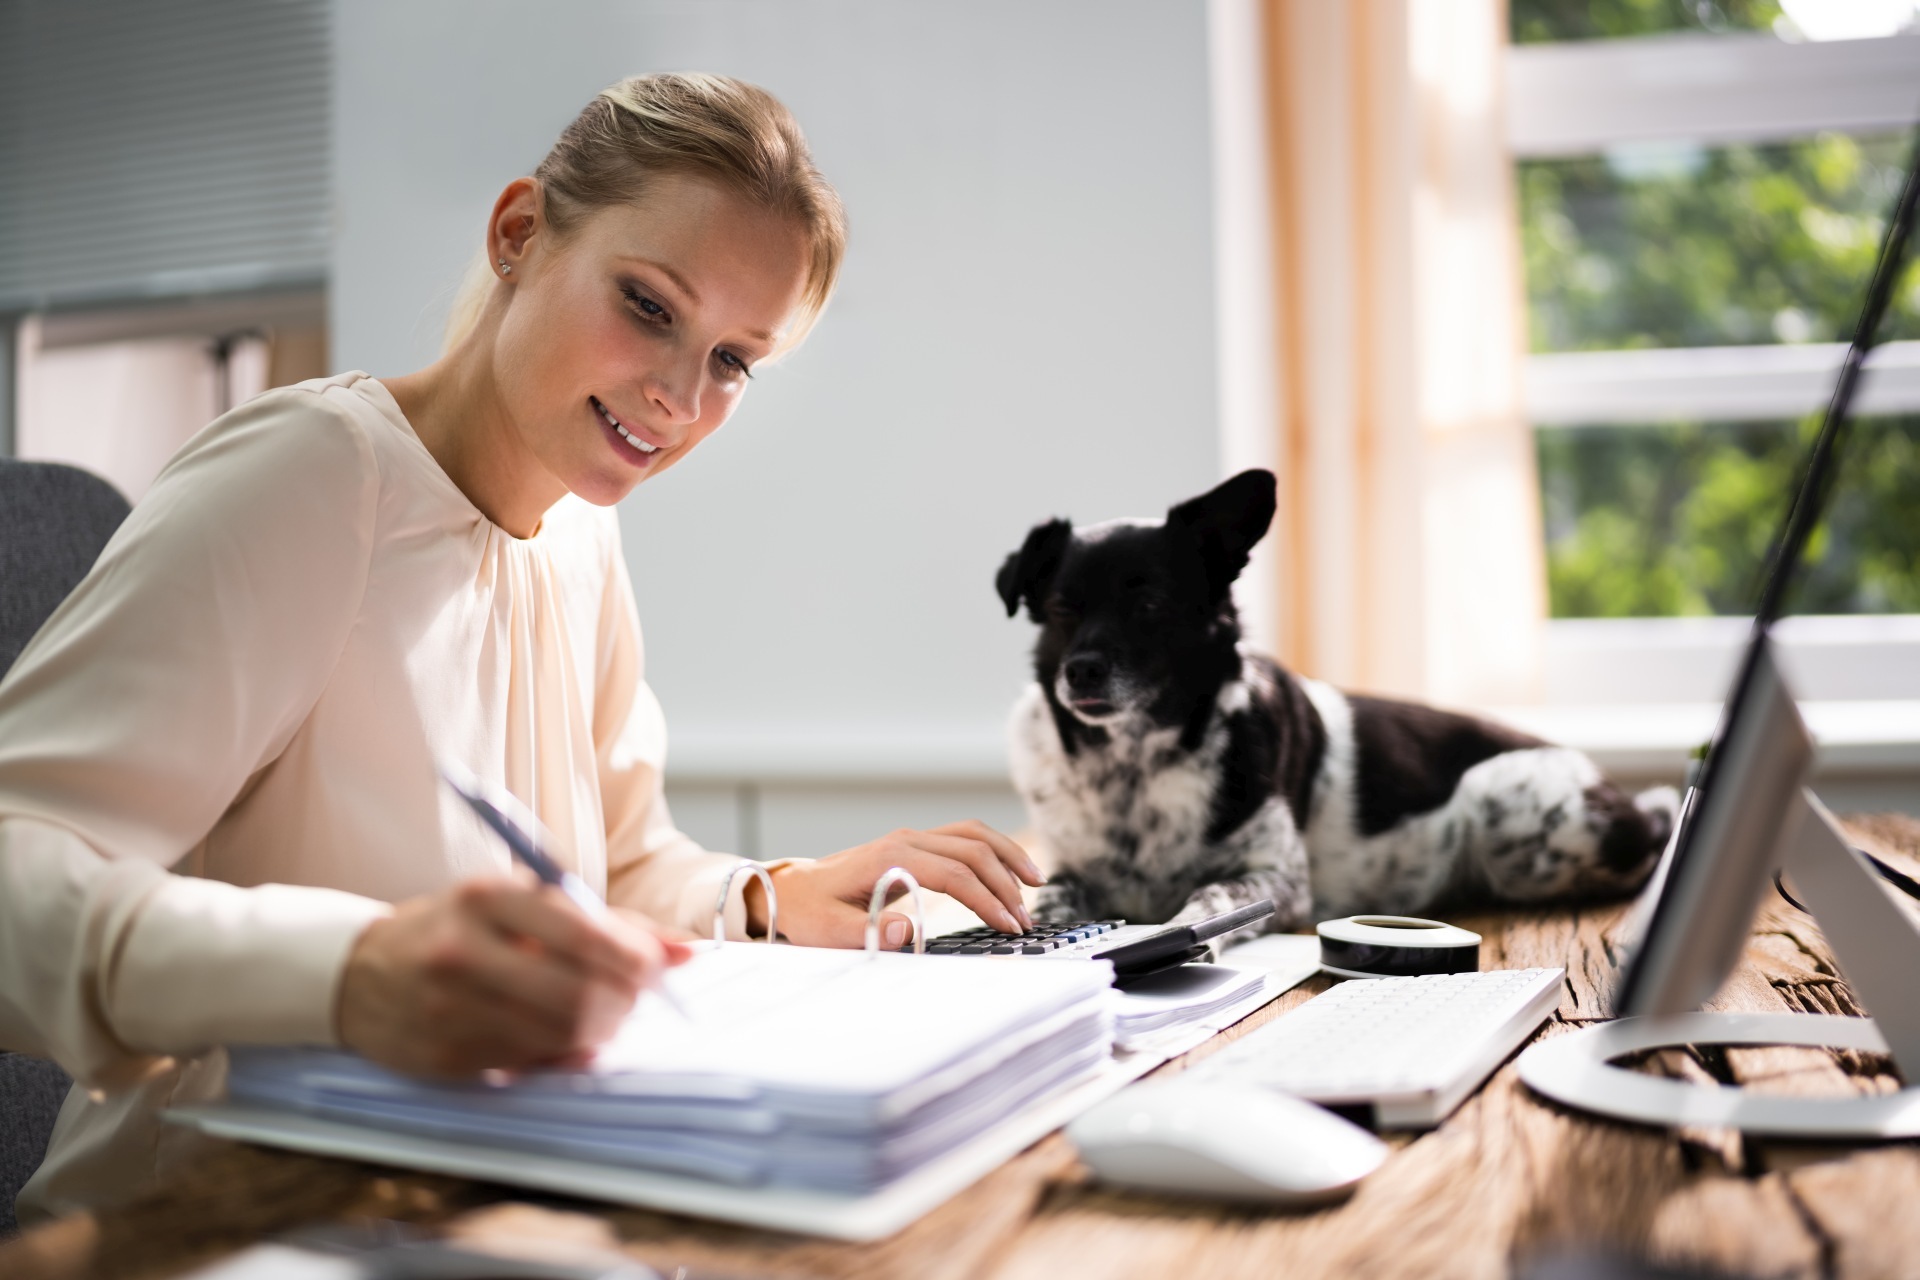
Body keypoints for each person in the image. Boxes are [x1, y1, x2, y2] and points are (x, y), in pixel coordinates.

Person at [0, 73, 1041, 1223]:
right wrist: (348, 975)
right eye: (649, 305)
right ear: (519, 235)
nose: (681, 396)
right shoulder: (312, 479)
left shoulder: (579, 531)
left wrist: (764, 899)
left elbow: (619, 871)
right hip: (204, 1222)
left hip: (469, 1203)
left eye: (735, 359)